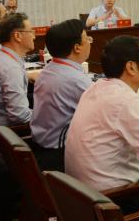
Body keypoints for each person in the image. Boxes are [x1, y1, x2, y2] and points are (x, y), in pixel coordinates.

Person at [65, 35, 139, 191]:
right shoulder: (126, 101)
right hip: (117, 197)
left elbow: (126, 123)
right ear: (131, 67)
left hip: (81, 195)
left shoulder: (96, 88)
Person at [31, 19, 93, 152]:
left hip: (40, 144)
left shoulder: (47, 69)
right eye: (87, 38)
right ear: (77, 48)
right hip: (60, 152)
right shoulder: (77, 81)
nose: (90, 42)